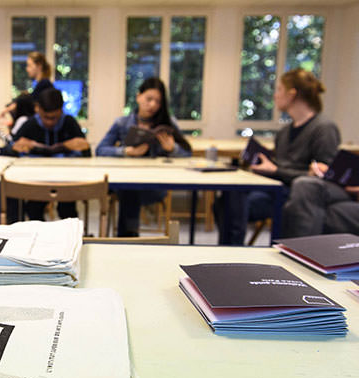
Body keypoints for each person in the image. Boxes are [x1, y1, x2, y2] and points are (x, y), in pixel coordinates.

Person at [216, 68, 341, 245]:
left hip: (296, 195)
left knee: (237, 205)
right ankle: (230, 250)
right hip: (275, 189)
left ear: (292, 94)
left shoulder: (324, 128)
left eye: (279, 89)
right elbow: (280, 167)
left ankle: (234, 249)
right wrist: (264, 167)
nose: (275, 95)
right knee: (229, 198)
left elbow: (322, 177)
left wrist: (276, 170)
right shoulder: (284, 132)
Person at [97, 77, 192, 236]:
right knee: (130, 188)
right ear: (138, 97)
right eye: (149, 99)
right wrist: (125, 152)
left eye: (158, 101)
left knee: (131, 189)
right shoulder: (122, 123)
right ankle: (129, 237)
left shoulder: (167, 122)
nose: (153, 105)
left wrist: (172, 148)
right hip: (124, 183)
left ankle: (127, 238)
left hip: (154, 183)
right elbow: (100, 149)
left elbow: (187, 153)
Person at [6, 88, 90, 221]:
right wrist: (15, 148)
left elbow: (87, 154)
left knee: (67, 211)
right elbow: (8, 151)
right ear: (38, 109)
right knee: (32, 209)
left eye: (54, 117)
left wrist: (84, 148)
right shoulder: (30, 124)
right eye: (46, 117)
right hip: (36, 180)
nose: (50, 122)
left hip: (66, 180)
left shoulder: (69, 122)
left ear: (61, 110)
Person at [282, 174, 359, 236]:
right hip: (342, 186)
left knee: (308, 201)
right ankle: (302, 247)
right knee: (306, 187)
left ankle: (300, 248)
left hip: (351, 195)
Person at [0, 52, 54, 124]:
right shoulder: (40, 85)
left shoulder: (45, 84)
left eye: (29, 65)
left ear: (39, 66)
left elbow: (30, 103)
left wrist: (6, 110)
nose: (27, 69)